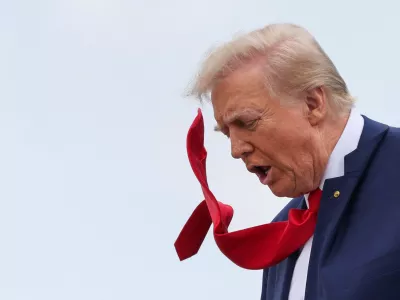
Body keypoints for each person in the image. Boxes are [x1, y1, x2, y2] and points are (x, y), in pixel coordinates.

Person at [179, 23, 400, 300]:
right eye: (226, 133)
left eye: (246, 122)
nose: (236, 150)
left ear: (313, 103)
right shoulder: (285, 233)